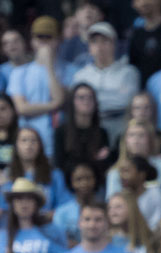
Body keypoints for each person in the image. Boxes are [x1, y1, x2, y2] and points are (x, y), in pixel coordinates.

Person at [70, 23, 139, 143]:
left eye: (105, 41)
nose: (99, 46)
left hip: (120, 126)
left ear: (114, 44)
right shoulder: (80, 75)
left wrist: (92, 101)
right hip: (91, 128)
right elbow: (74, 105)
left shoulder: (129, 72)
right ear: (89, 47)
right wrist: (112, 96)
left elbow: (126, 102)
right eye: (94, 42)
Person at [8, 21, 65, 159]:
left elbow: (62, 100)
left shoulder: (68, 70)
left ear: (57, 41)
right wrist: (53, 105)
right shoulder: (20, 72)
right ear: (32, 41)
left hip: (58, 141)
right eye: (40, 38)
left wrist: (49, 66)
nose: (44, 43)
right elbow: (21, 108)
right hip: (29, 144)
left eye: (49, 37)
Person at [52, 83, 111, 175]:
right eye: (81, 97)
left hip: (95, 183)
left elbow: (104, 166)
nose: (86, 101)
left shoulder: (102, 133)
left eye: (90, 97)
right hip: (68, 183)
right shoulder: (61, 132)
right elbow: (59, 164)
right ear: (72, 102)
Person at [3, 179, 66, 253]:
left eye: (29, 198)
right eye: (19, 198)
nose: (24, 203)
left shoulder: (53, 231)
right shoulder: (3, 237)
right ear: (12, 204)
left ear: (36, 203)